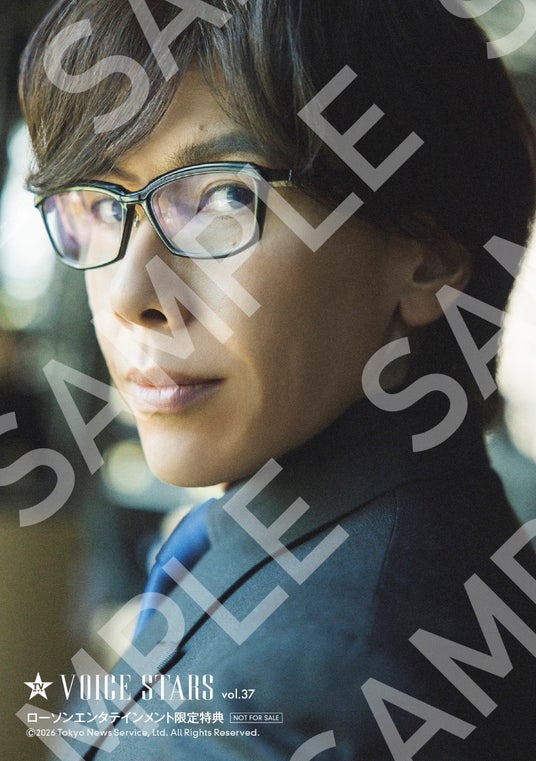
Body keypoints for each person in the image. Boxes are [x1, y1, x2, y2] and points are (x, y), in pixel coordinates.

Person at [19, 1, 536, 759]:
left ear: (425, 256)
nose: (130, 296)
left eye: (226, 196)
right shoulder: (378, 540)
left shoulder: (293, 705)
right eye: (100, 202)